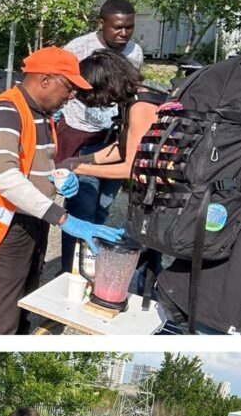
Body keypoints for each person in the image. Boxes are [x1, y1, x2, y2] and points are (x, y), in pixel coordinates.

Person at [0, 47, 123, 334]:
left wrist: (58, 178)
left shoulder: (42, 113)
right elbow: (8, 178)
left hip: (34, 220)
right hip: (4, 228)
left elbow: (35, 162)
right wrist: (65, 219)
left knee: (25, 302)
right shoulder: (6, 111)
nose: (73, 95)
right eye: (70, 86)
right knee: (0, 315)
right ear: (46, 79)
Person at [55, 48, 168, 275]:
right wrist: (78, 159)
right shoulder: (131, 101)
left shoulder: (141, 106)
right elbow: (122, 148)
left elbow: (132, 168)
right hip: (148, 193)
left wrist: (79, 167)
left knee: (138, 261)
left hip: (159, 197)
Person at [55, 0, 144, 273]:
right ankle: (71, 271)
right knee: (82, 208)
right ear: (101, 24)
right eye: (118, 27)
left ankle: (89, 260)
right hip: (80, 134)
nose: (123, 33)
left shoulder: (135, 54)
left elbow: (126, 160)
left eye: (129, 27)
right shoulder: (77, 49)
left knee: (102, 207)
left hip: (113, 137)